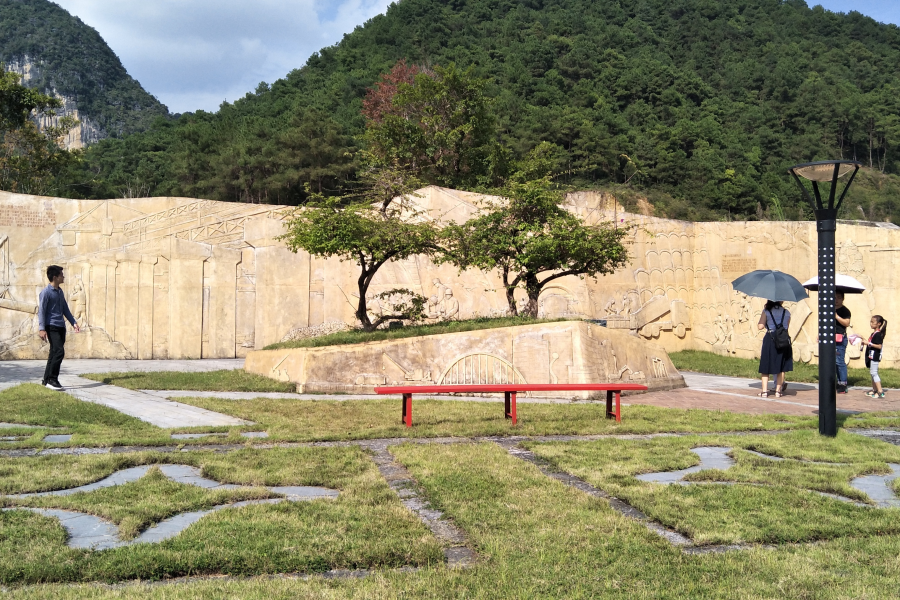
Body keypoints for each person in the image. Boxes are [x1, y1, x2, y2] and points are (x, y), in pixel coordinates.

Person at [38, 265, 80, 391]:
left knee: (53, 353)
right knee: (59, 351)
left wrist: (73, 322)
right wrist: (42, 328)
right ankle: (53, 379)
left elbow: (65, 309)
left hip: (61, 327)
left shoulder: (60, 292)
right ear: (55, 277)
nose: (64, 276)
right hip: (51, 327)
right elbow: (42, 311)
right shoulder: (45, 293)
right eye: (62, 275)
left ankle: (46, 380)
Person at [757, 300, 792, 397]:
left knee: (766, 364)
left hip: (770, 338)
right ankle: (778, 391)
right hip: (783, 339)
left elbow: (760, 326)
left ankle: (764, 392)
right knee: (781, 365)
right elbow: (786, 327)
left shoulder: (766, 311)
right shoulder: (787, 312)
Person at [861, 315, 887, 399]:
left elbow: (879, 346)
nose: (871, 324)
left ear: (879, 324)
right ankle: (875, 390)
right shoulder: (874, 333)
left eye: (873, 322)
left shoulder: (878, 334)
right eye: (870, 322)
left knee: (874, 373)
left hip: (875, 356)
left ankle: (880, 391)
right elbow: (870, 343)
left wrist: (869, 343)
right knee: (872, 373)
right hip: (871, 355)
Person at [835, 291, 851, 394]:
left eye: (838, 298)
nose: (836, 300)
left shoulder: (845, 311)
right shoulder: (829, 309)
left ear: (842, 299)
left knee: (839, 361)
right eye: (834, 297)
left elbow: (846, 323)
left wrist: (836, 316)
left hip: (840, 339)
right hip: (830, 338)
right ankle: (838, 381)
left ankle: (843, 383)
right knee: (833, 362)